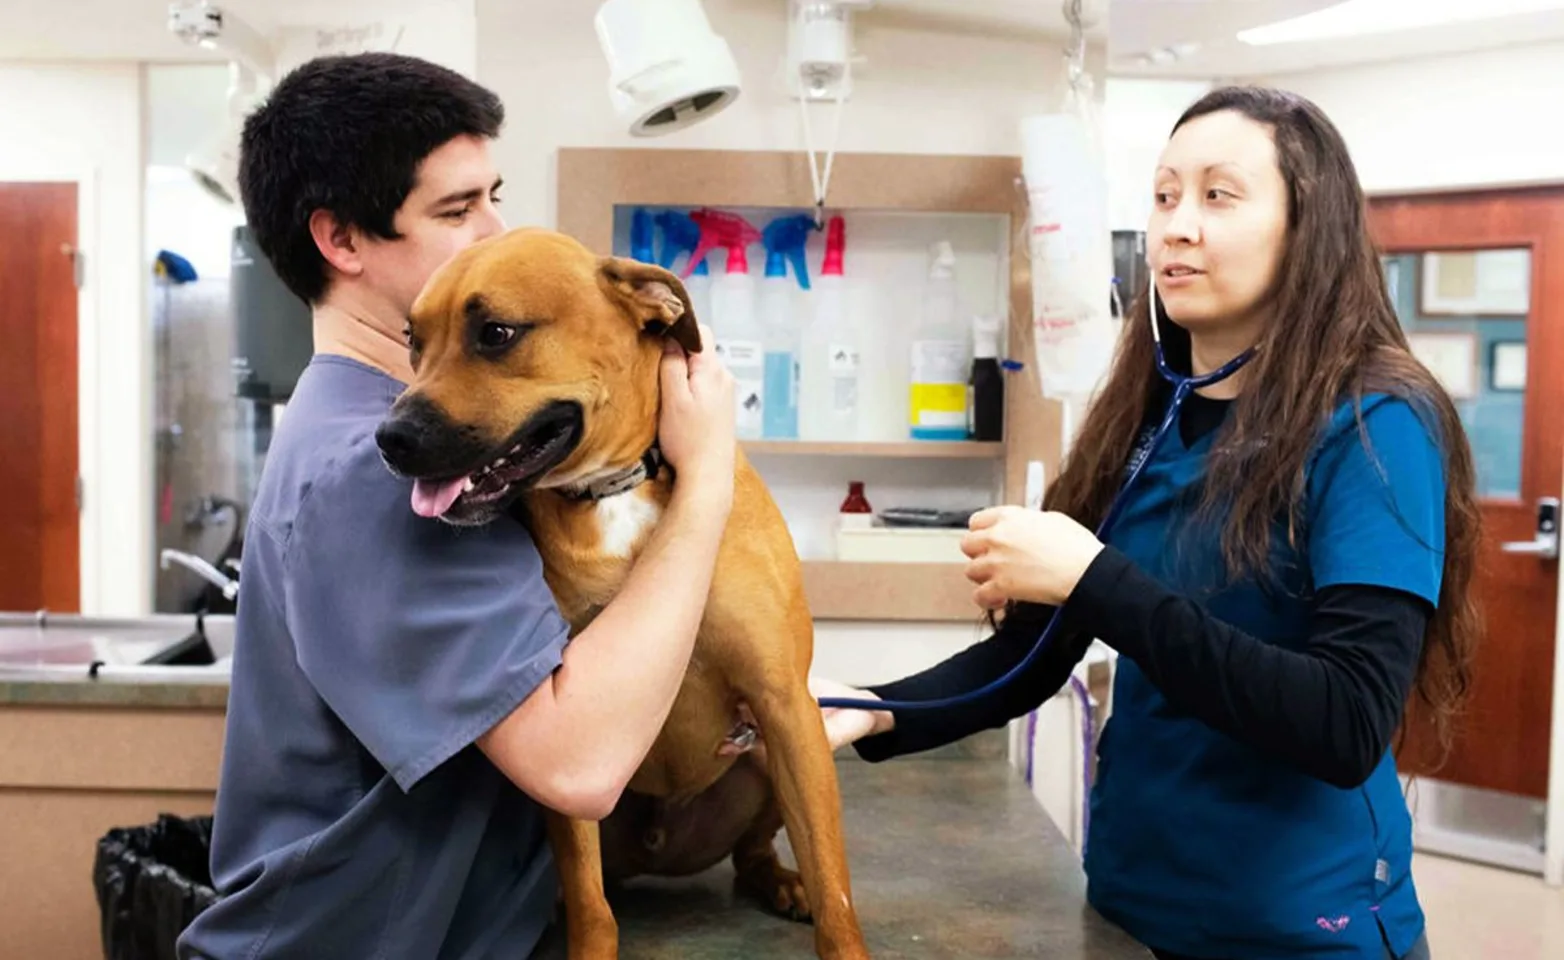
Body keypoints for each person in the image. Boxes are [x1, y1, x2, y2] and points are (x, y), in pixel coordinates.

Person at [808, 86, 1476, 960]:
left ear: (1307, 228)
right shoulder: (1147, 415)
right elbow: (1031, 653)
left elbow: (1345, 721)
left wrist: (1095, 579)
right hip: (1133, 907)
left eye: (1218, 196)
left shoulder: (1375, 426)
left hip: (1304, 928)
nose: (1176, 228)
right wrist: (870, 710)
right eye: (1164, 196)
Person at [176, 53, 736, 959]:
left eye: (493, 197)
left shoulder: (435, 442)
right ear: (342, 240)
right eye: (456, 209)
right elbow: (579, 765)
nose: (494, 231)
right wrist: (708, 473)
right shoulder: (378, 472)